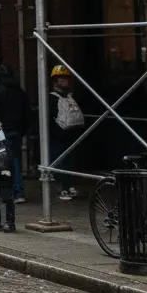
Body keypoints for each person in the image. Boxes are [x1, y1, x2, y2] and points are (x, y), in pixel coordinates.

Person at [0, 66, 30, 202]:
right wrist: (22, 131)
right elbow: (27, 113)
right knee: (14, 160)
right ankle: (18, 191)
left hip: (0, 132)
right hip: (16, 131)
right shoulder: (20, 92)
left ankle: (1, 192)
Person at [46, 66, 86, 201]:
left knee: (69, 162)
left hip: (70, 135)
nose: (65, 83)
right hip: (58, 136)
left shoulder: (70, 97)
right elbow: (48, 119)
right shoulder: (52, 99)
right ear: (55, 81)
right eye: (61, 80)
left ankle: (69, 185)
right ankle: (62, 187)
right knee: (59, 162)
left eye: (66, 80)